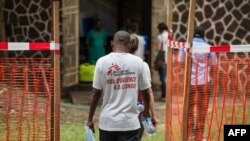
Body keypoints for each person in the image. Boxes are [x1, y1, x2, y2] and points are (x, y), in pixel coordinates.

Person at [87, 31, 152, 141]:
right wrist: (146, 111)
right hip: (130, 123)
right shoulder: (138, 63)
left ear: (112, 44)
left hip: (107, 123)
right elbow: (146, 91)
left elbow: (96, 93)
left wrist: (90, 119)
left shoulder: (102, 62)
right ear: (130, 45)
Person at [178, 26, 216, 141]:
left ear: (193, 34)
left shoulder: (186, 46)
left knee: (189, 109)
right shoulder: (209, 48)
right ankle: (198, 136)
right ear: (204, 35)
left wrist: (186, 74)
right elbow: (213, 65)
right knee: (202, 109)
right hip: (204, 82)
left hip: (189, 83)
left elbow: (180, 62)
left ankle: (187, 134)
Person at [129, 35, 158, 140]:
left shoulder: (115, 64)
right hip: (139, 110)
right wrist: (153, 114)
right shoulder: (143, 65)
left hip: (120, 110)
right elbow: (148, 91)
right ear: (137, 48)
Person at [155, 23, 169, 101]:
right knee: (167, 78)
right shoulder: (170, 36)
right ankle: (167, 95)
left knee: (162, 78)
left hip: (162, 60)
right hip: (169, 59)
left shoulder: (160, 37)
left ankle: (164, 96)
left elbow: (158, 48)